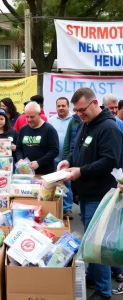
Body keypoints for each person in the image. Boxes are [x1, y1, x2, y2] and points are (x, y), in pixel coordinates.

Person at [57, 87, 123, 300]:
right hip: (85, 194)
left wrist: (80, 171)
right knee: (89, 239)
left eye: (82, 109)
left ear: (95, 103)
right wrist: (69, 162)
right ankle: (94, 278)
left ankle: (104, 291)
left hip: (100, 194)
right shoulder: (86, 124)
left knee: (96, 243)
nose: (78, 114)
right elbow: (79, 151)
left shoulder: (108, 128)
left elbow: (109, 161)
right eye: (76, 110)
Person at [16, 102, 59, 175]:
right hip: (26, 173)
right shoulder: (23, 129)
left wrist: (39, 162)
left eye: (32, 117)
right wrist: (20, 159)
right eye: (27, 117)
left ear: (39, 115)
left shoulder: (49, 129)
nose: (29, 120)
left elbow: (54, 151)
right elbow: (19, 148)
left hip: (45, 173)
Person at [48, 97, 73, 219]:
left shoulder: (74, 120)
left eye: (63, 106)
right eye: (59, 106)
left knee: (67, 184)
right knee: (53, 184)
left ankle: (67, 209)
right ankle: (54, 208)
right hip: (54, 158)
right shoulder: (51, 121)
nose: (61, 108)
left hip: (67, 159)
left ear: (68, 106)